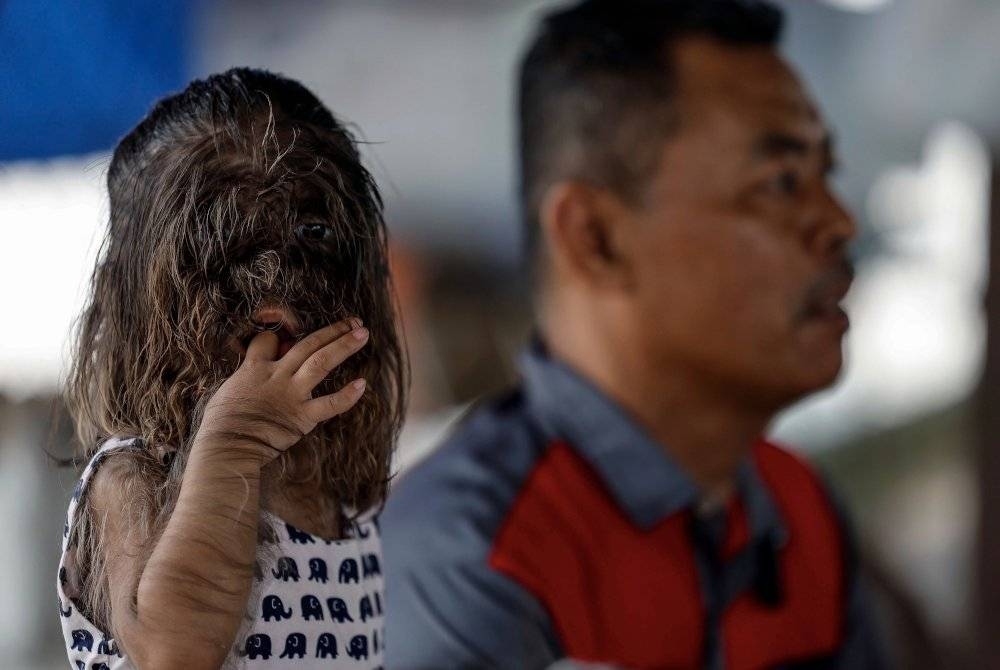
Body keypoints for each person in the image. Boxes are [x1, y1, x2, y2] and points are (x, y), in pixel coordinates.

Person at [381, 1, 885, 668]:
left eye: (827, 175)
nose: (838, 222)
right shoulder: (469, 561)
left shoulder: (799, 509)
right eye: (781, 183)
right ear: (596, 238)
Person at [58, 68, 405, 668]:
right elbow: (175, 652)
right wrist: (234, 444)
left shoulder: (333, 485)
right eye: (212, 246)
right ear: (134, 299)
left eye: (313, 232)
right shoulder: (135, 479)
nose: (274, 280)